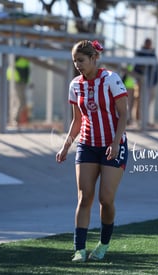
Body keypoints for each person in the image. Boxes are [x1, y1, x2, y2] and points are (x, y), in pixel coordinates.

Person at [56, 40, 128, 262]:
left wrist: (116, 143)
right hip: (87, 145)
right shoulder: (75, 84)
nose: (77, 64)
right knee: (84, 196)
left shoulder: (111, 79)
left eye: (81, 60)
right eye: (75, 61)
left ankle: (104, 244)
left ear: (94, 58)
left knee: (105, 199)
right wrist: (66, 145)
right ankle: (79, 249)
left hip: (112, 146)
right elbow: (77, 120)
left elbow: (124, 114)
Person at [132, 38, 158, 125]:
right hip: (141, 81)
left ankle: (145, 120)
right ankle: (138, 120)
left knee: (148, 101)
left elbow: (156, 69)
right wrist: (138, 80)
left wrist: (155, 81)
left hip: (151, 82)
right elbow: (137, 68)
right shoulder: (140, 53)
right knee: (140, 101)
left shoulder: (152, 54)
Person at [7, 54, 31, 125]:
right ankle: (14, 120)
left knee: (19, 101)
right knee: (20, 101)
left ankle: (14, 120)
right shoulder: (18, 56)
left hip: (21, 81)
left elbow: (26, 71)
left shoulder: (25, 59)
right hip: (17, 81)